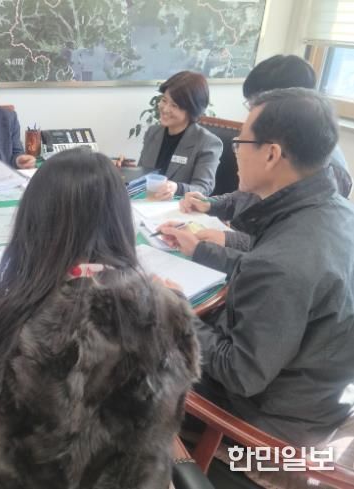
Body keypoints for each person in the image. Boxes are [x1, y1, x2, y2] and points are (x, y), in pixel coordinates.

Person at [0, 148, 200, 488]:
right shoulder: (168, 312)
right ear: (119, 220)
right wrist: (165, 298)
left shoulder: (8, 314)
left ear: (33, 223)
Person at [159, 88, 354, 447]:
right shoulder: (335, 211)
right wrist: (202, 249)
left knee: (136, 351)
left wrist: (177, 311)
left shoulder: (283, 263)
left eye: (240, 142)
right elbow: (267, 265)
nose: (235, 151)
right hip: (314, 396)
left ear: (271, 154)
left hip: (265, 425)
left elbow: (239, 374)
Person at [178, 55, 352, 273]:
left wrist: (228, 240)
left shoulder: (327, 171)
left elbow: (290, 251)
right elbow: (249, 198)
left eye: (255, 103)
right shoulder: (281, 154)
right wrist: (211, 204)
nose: (251, 112)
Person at [132, 71, 222, 199]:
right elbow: (143, 175)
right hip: (147, 203)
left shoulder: (207, 143)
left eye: (174, 105)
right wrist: (126, 171)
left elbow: (203, 189)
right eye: (164, 100)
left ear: (192, 110)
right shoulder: (153, 132)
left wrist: (177, 188)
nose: (165, 109)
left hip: (179, 207)